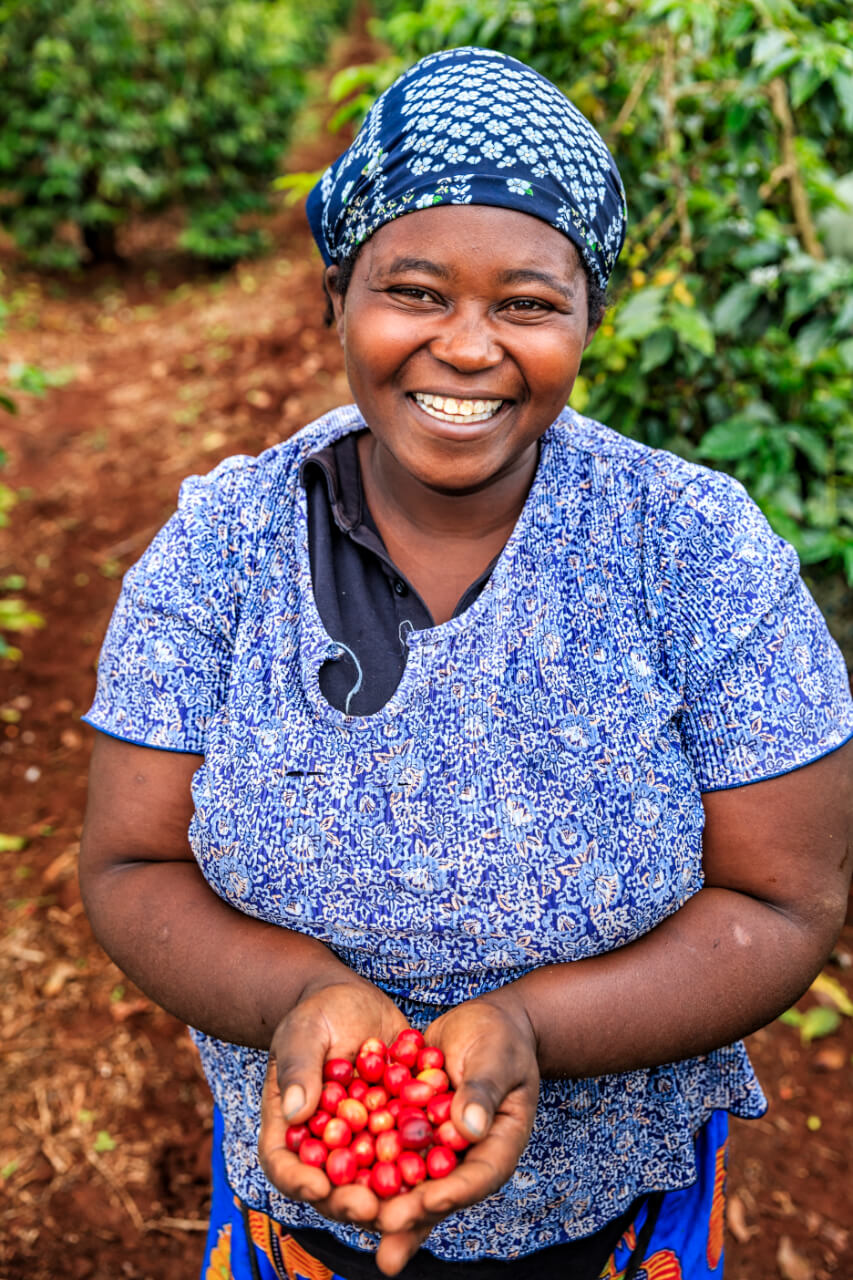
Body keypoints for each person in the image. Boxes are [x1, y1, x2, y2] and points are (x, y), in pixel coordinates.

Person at [79, 46, 853, 1280]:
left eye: (530, 302)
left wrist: (531, 1025)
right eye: (416, 290)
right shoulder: (223, 544)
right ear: (336, 297)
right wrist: (295, 1000)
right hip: (302, 1213)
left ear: (591, 315)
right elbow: (130, 860)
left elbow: (785, 900)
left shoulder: (697, 549)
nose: (469, 346)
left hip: (619, 1219)